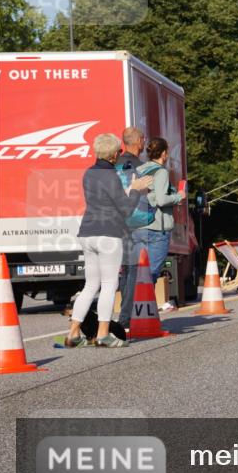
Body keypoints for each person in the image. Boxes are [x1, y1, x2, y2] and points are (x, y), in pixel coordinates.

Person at [65, 134, 153, 348]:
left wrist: (129, 189)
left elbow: (106, 199)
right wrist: (136, 190)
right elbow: (124, 209)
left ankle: (73, 333)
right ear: (115, 155)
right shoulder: (110, 174)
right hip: (108, 234)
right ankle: (103, 334)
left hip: (87, 232)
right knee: (108, 284)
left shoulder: (89, 173)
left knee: (90, 285)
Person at [132, 138, 186, 312]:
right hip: (156, 228)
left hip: (138, 227)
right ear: (164, 153)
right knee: (151, 273)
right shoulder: (161, 172)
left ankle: (132, 309)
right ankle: (143, 313)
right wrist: (179, 196)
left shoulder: (140, 169)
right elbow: (162, 200)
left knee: (138, 272)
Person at [115, 127, 147, 331]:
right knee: (133, 271)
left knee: (124, 271)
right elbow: (149, 194)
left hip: (115, 221)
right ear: (139, 142)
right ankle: (126, 318)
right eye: (143, 139)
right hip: (136, 222)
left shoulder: (114, 165)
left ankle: (123, 317)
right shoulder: (141, 167)